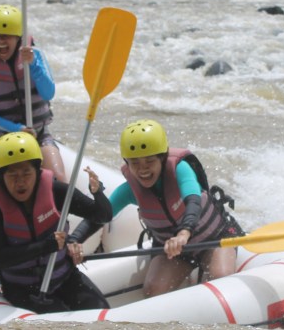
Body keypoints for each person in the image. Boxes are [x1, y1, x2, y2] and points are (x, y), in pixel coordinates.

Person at [76, 119, 245, 297]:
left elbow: (193, 201)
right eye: (135, 163)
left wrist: (183, 233)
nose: (143, 170)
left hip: (215, 238)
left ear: (162, 158)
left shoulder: (181, 170)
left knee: (220, 278)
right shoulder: (130, 190)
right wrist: (75, 239)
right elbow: (101, 215)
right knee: (153, 290)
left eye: (149, 161)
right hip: (174, 249)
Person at [0, 131, 111, 313]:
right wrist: (45, 246)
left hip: (64, 277)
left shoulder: (55, 190)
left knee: (102, 310)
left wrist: (98, 192)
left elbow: (102, 216)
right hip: (21, 288)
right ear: (1, 176)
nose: (21, 182)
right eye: (13, 176)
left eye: (26, 173)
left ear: (37, 171)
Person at [0, 4, 67, 181]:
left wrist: (33, 66)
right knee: (19, 181)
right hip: (2, 138)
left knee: (59, 179)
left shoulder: (35, 56)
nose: (1, 42)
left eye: (6, 36)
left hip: (39, 133)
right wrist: (18, 129)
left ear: (18, 38)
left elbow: (48, 93)